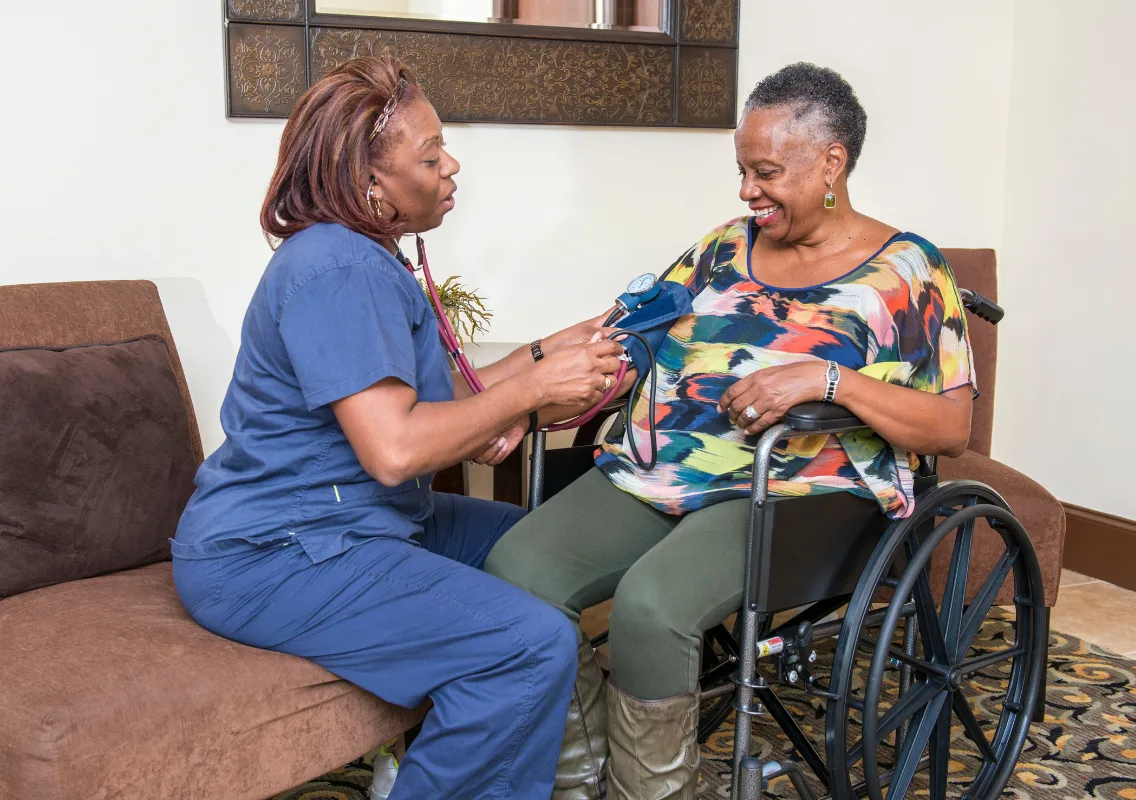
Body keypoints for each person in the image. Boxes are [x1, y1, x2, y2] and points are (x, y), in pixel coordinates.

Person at [485, 62, 978, 799]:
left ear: (831, 164)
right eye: (743, 170)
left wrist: (827, 380)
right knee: (519, 571)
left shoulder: (908, 272)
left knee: (652, 607)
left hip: (796, 492)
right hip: (659, 468)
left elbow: (952, 425)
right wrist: (525, 400)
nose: (748, 190)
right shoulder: (722, 246)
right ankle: (578, 779)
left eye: (766, 171)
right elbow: (631, 341)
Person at [170, 55, 625, 800]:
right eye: (430, 154)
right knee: (528, 647)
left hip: (354, 523)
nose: (452, 165)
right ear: (368, 182)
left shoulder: (360, 256)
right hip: (276, 553)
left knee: (536, 548)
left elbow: (428, 395)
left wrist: (545, 352)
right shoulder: (336, 269)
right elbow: (396, 447)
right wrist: (533, 388)